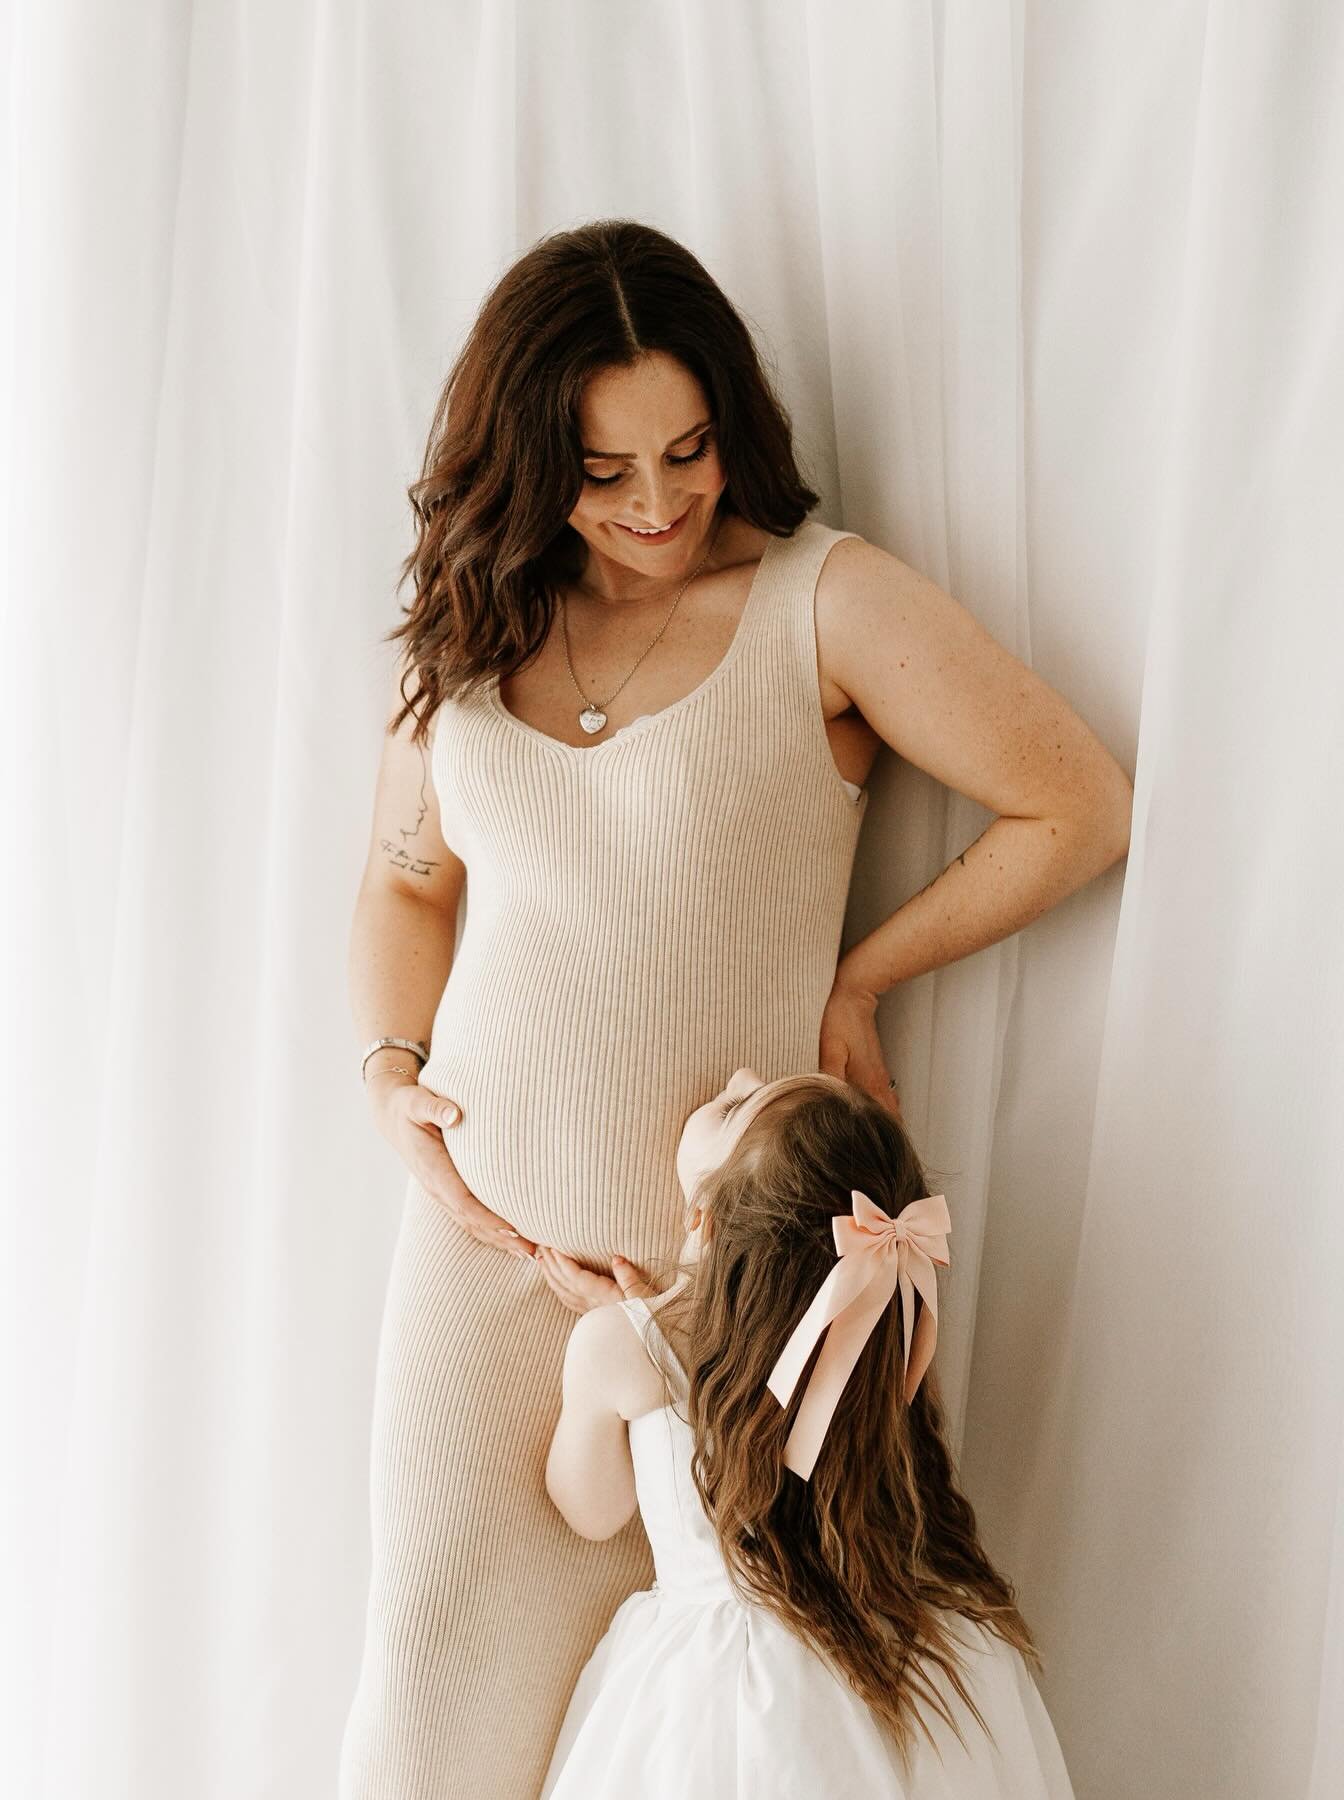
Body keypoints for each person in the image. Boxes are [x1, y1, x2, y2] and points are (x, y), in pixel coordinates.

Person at [337, 218, 1129, 1798]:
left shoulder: (821, 602)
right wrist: (388, 1068)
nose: (654, 505)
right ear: (525, 462)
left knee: (759, 1716)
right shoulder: (472, 641)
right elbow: (405, 885)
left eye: (686, 451)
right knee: (430, 1691)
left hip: (741, 1293)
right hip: (484, 1271)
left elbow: (1076, 807)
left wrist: (863, 971)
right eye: (603, 470)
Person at [537, 1066, 1075, 1799]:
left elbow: (589, 1512)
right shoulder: (881, 1336)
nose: (741, 1071)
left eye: (731, 1107)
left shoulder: (616, 1348)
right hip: (895, 1644)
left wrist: (631, 1340)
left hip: (713, 1689)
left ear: (706, 1218)